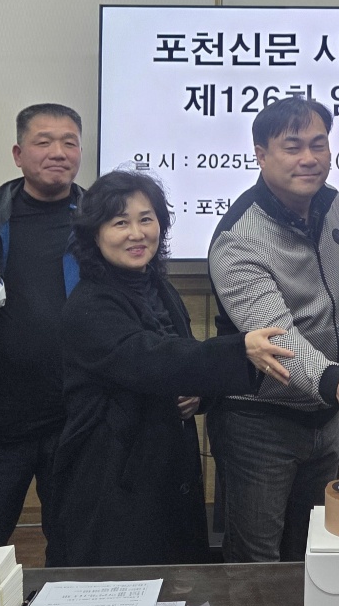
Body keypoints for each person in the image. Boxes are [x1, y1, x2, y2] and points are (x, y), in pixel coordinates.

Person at [47, 170, 294, 566]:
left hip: (166, 471)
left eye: (146, 219)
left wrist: (199, 394)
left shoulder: (158, 287)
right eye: (120, 223)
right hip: (113, 477)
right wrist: (239, 349)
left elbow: (182, 358)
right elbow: (149, 358)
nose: (137, 233)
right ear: (94, 234)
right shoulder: (89, 304)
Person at [208, 96, 339, 562]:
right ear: (261, 154)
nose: (309, 158)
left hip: (324, 417)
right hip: (258, 425)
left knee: (314, 550)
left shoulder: (332, 203)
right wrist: (336, 381)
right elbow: (277, 340)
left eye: (318, 144)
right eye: (292, 146)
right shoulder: (238, 240)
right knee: (257, 562)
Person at [0, 104, 84, 554]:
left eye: (69, 142)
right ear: (18, 154)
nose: (58, 152)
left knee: (75, 547)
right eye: (43, 142)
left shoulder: (101, 221)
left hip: (75, 417)